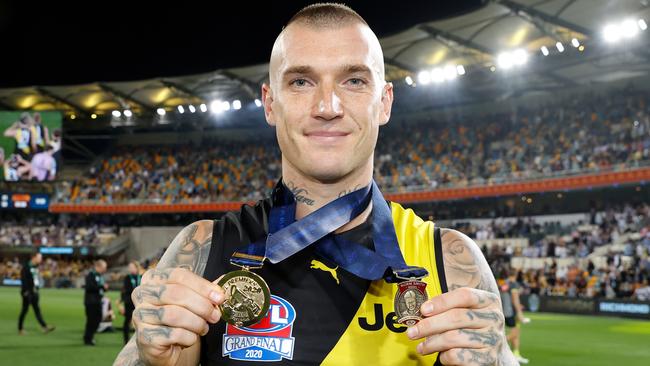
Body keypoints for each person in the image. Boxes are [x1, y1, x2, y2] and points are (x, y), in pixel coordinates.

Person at [114, 4, 515, 365]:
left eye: (354, 81)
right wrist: (151, 362)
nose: (328, 107)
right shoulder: (201, 250)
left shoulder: (450, 259)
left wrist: (494, 360)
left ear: (385, 101)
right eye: (301, 82)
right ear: (270, 104)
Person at [18, 252, 55, 335]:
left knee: (37, 310)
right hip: (28, 293)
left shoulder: (36, 267)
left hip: (34, 292)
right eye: (39, 257)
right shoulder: (26, 267)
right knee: (24, 310)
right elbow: (24, 280)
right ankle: (20, 329)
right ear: (34, 257)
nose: (40, 259)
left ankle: (44, 327)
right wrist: (26, 291)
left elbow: (35, 279)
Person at [500, 269, 529, 364]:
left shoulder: (504, 283)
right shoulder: (514, 284)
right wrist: (520, 313)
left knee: (516, 333)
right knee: (515, 333)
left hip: (502, 310)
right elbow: (515, 300)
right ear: (515, 274)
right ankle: (498, 345)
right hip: (510, 312)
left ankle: (516, 354)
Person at [84, 259, 108, 345]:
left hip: (98, 301)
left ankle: (90, 336)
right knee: (91, 320)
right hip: (91, 301)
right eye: (104, 267)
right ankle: (87, 339)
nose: (105, 269)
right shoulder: (90, 275)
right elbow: (89, 287)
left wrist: (104, 288)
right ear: (98, 266)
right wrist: (101, 286)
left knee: (98, 319)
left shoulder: (100, 276)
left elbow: (99, 288)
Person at [121, 261, 142, 344]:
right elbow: (127, 289)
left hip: (139, 302)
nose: (130, 269)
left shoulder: (140, 277)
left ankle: (140, 339)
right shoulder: (127, 277)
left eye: (132, 267)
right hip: (129, 302)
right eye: (129, 267)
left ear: (137, 268)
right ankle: (126, 340)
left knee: (140, 321)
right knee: (127, 320)